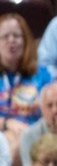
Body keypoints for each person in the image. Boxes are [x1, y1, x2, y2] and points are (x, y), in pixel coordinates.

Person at [0, 12, 52, 157]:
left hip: (35, 140)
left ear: (26, 41)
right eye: (5, 37)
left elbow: (53, 112)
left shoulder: (42, 76)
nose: (11, 41)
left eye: (16, 36)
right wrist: (6, 124)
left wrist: (31, 132)